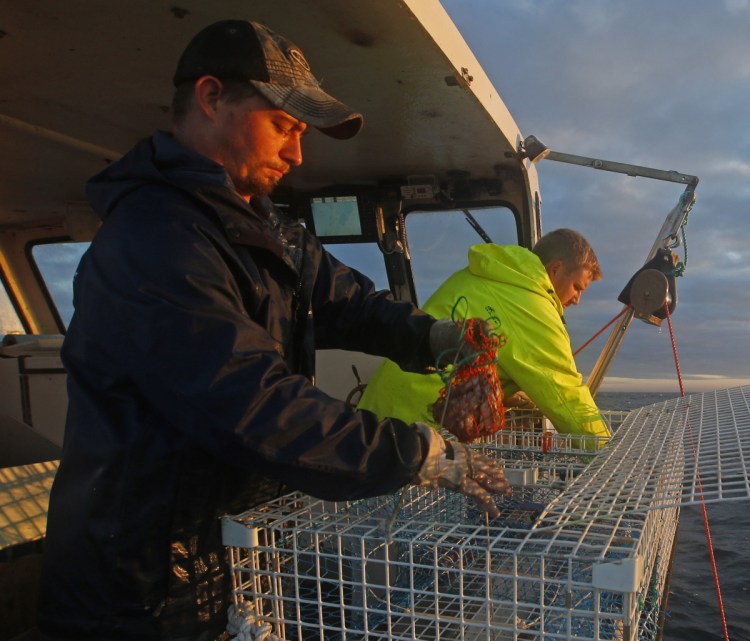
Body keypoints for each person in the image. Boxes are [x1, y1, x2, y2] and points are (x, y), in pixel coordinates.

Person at [37, 20, 509, 641]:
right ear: (210, 98)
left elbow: (350, 301)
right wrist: (415, 452)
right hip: (137, 588)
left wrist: (434, 338)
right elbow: (251, 401)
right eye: (284, 127)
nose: (297, 154)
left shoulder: (262, 227)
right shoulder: (156, 242)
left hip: (224, 552)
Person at [358, 229, 612, 444]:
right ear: (556, 269)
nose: (577, 299)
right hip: (412, 432)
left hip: (375, 414)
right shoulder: (532, 304)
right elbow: (566, 397)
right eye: (577, 287)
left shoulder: (486, 274)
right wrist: (611, 461)